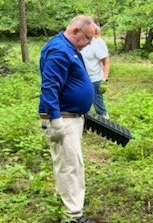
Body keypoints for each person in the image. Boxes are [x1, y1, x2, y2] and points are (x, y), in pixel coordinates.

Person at [38, 15, 97, 223]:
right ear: (76, 32)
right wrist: (55, 122)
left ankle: (69, 206)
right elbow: (49, 87)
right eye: (88, 38)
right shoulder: (59, 51)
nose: (89, 43)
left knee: (72, 163)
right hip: (63, 118)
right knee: (69, 166)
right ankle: (73, 217)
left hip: (71, 116)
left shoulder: (69, 48)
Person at [81, 26, 110, 119]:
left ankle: (106, 123)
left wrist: (104, 79)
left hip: (95, 79)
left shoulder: (98, 43)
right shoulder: (80, 42)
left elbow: (106, 62)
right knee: (81, 104)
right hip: (82, 78)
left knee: (98, 105)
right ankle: (84, 125)